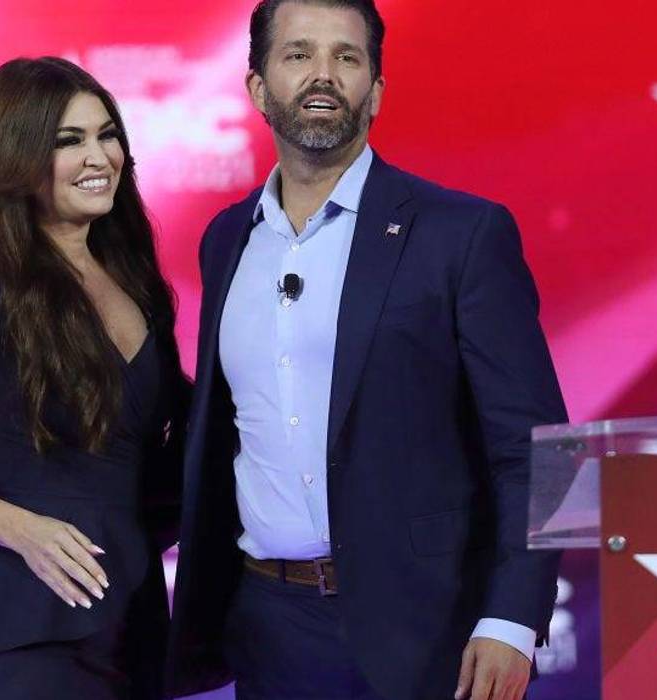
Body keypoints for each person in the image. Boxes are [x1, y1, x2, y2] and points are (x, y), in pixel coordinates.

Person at [166, 1, 567, 699]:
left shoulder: (460, 234)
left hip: (428, 629)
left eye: (346, 58)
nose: (323, 75)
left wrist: (510, 618)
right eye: (297, 55)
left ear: (374, 91)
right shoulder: (226, 240)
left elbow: (542, 449)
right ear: (258, 87)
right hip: (267, 628)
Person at [0, 57, 187, 700]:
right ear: (18, 158)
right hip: (11, 626)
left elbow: (159, 462)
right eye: (67, 141)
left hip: (122, 624)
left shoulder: (139, 286)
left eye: (107, 134)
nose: (99, 155)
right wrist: (28, 531)